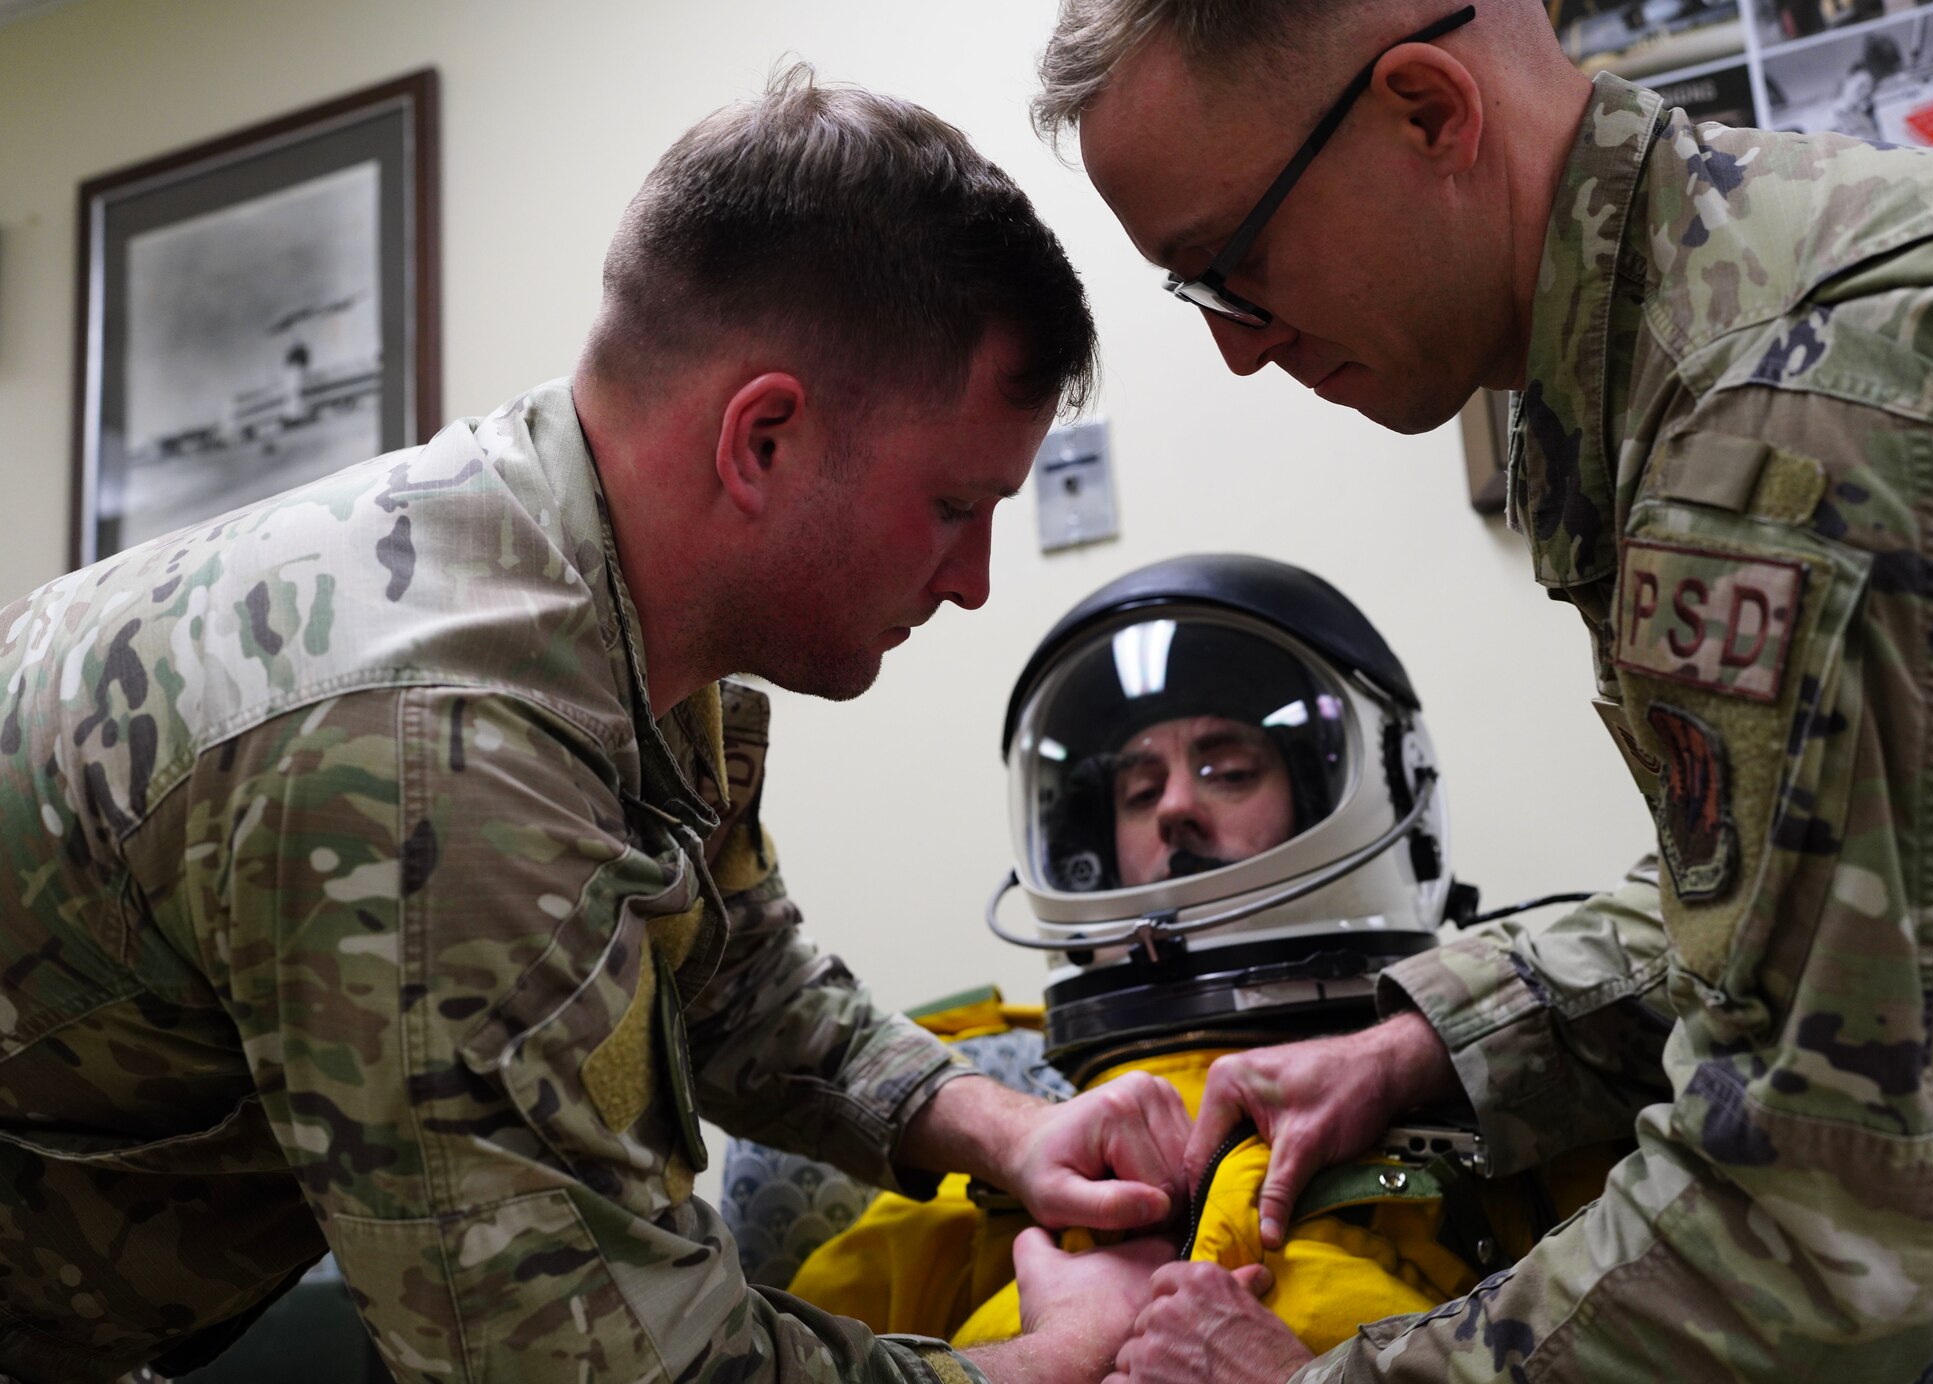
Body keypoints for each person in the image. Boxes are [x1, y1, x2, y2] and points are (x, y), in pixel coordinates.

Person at [0, 66, 1193, 1384]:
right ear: (765, 442)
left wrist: (991, 1123)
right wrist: (1044, 1364)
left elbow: (732, 975)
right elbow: (593, 1370)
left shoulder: (588, 583)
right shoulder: (438, 760)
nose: (970, 582)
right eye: (956, 506)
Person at [1032, 1, 1933, 1380]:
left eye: (1229, 267)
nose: (1238, 347)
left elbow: (1826, 1223)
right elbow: (1795, 914)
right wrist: (1431, 1039)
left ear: (1430, 112)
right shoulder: (1706, 318)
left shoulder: (1784, 425)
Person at [775, 553, 1639, 1356]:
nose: (1176, 809)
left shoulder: (1514, 1096)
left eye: (1227, 770)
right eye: (1140, 789)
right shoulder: (990, 1183)